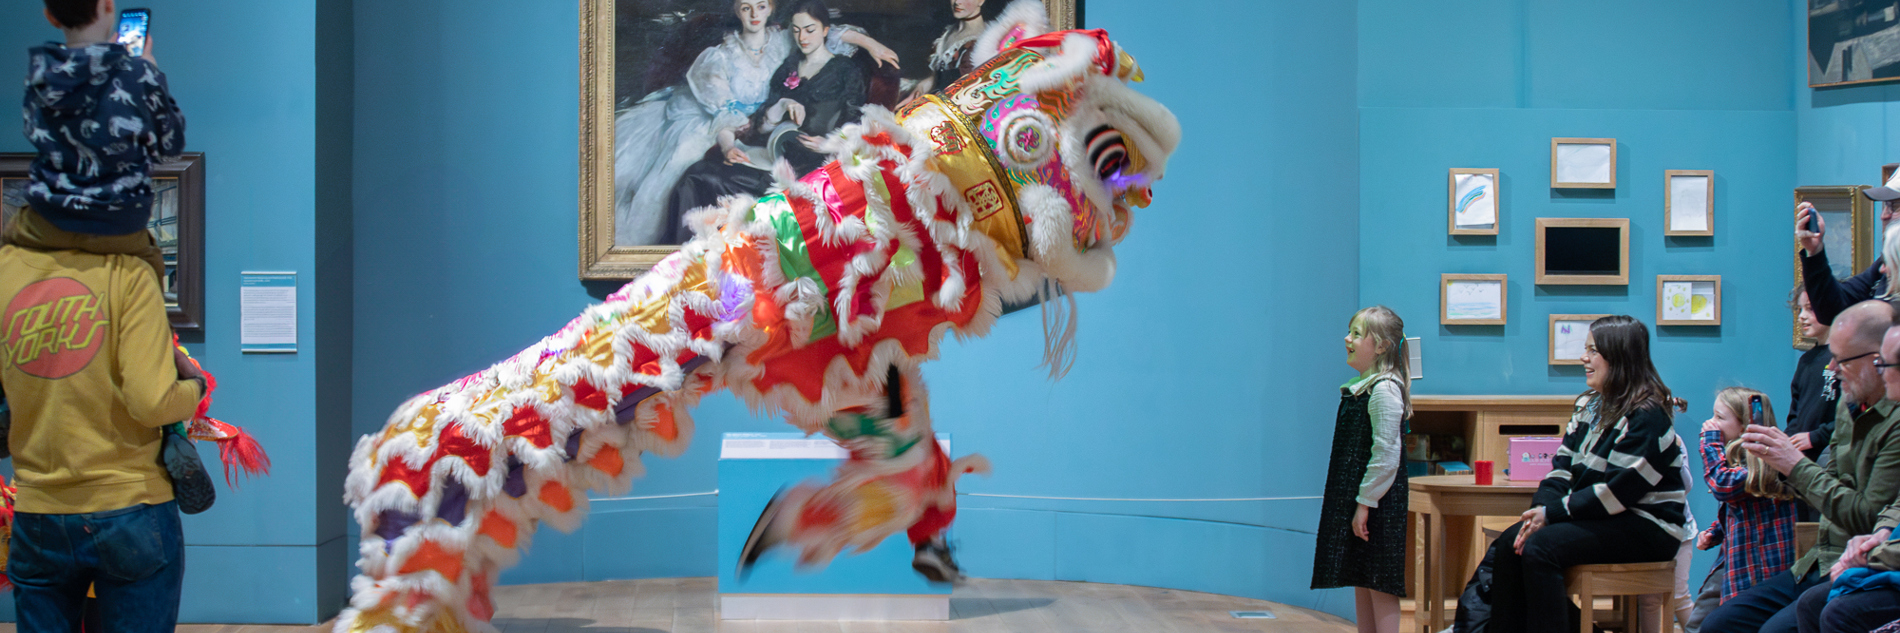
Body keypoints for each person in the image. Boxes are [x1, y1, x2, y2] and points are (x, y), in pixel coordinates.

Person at [0, 177, 206, 631]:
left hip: (38, 507)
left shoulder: (6, 270)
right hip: (131, 504)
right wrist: (195, 388)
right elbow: (153, 403)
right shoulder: (129, 272)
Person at [613, 0, 897, 247]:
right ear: (737, 11)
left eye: (761, 6)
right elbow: (753, 119)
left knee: (705, 176)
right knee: (691, 169)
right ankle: (682, 259)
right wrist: (772, 113)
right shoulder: (782, 65)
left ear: (770, 9)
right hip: (759, 140)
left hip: (809, 159)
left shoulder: (833, 64)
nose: (754, 14)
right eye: (746, 8)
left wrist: (871, 44)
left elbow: (854, 116)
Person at [1701, 300, 1900, 633]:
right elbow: (1833, 487)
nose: (1832, 369)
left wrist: (1794, 466)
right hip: (1818, 559)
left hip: (1857, 566)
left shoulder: (1894, 422)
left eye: (1842, 359)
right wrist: (1778, 467)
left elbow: (1867, 516)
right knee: (1719, 623)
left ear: (1879, 359)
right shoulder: (1849, 404)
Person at [1483, 315, 1689, 633]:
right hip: (1603, 516)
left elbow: (1617, 493)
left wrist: (1551, 515)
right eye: (1585, 349)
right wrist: (1540, 512)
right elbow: (1560, 469)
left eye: (1593, 351)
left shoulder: (1647, 416)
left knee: (1541, 548)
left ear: (1618, 356)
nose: (1583, 358)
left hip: (1647, 526)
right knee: (1513, 542)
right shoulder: (1587, 406)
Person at [17, 0, 185, 285]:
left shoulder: (39, 76)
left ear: (50, 17)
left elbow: (32, 129)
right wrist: (151, 73)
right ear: (108, 5)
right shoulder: (138, 72)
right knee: (152, 271)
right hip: (119, 222)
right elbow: (171, 144)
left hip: (49, 218)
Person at [1311, 306, 1411, 633]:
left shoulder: (1384, 390)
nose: (1347, 339)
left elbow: (1386, 453)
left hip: (1377, 503)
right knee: (1362, 577)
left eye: (1356, 334)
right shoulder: (1362, 387)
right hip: (1362, 501)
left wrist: (1365, 503)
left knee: (1379, 581)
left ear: (1381, 346)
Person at [1687, 388, 1801, 629]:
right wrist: (1716, 532)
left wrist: (1710, 441)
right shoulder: (1739, 461)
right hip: (1735, 559)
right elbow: (1739, 509)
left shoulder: (1762, 467)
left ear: (1744, 427)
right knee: (1701, 618)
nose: (1711, 422)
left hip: (1758, 567)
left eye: (1719, 417)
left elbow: (1722, 484)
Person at [1797, 169, 1900, 326]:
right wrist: (1815, 250)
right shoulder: (1884, 263)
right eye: (1885, 205)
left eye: (1895, 206)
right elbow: (1833, 311)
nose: (1884, 216)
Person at [1791, 287, 1842, 470]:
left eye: (1810, 309)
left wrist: (1815, 437)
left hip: (1832, 457)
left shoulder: (1844, 358)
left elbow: (1851, 416)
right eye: (1800, 310)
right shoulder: (1805, 360)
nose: (1801, 317)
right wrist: (1788, 441)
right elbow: (1795, 414)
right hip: (1803, 459)